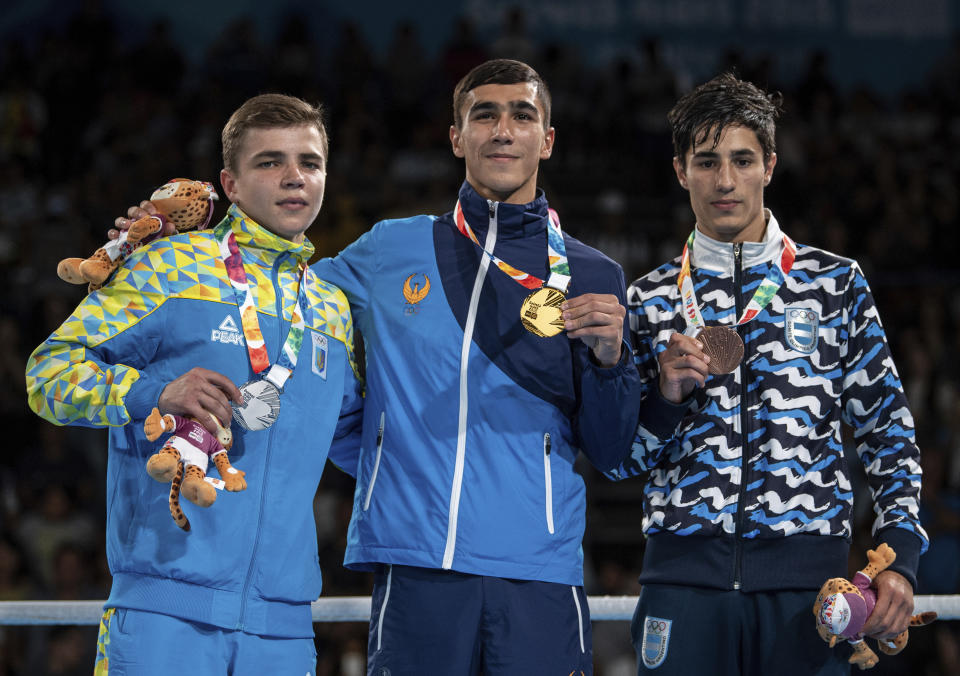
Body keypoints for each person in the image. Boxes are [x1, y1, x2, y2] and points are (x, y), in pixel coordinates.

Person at [311, 59, 643, 675]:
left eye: (523, 114)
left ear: (546, 139)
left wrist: (610, 361)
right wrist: (180, 252)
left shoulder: (593, 276)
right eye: (483, 114)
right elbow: (284, 304)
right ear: (457, 137)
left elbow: (612, 448)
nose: (502, 129)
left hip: (537, 571)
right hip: (417, 568)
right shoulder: (389, 249)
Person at [25, 93, 363, 675]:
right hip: (164, 615)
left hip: (282, 629)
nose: (293, 178)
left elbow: (358, 438)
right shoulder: (168, 267)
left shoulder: (331, 308)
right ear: (229, 184)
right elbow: (48, 374)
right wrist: (152, 392)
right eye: (269, 162)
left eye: (309, 162)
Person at [610, 72, 929, 675]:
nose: (724, 181)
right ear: (680, 171)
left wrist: (903, 559)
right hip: (682, 584)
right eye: (706, 162)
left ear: (770, 165)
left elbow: (889, 432)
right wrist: (663, 400)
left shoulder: (834, 285)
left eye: (741, 160)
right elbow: (620, 460)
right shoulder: (647, 300)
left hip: (807, 594)